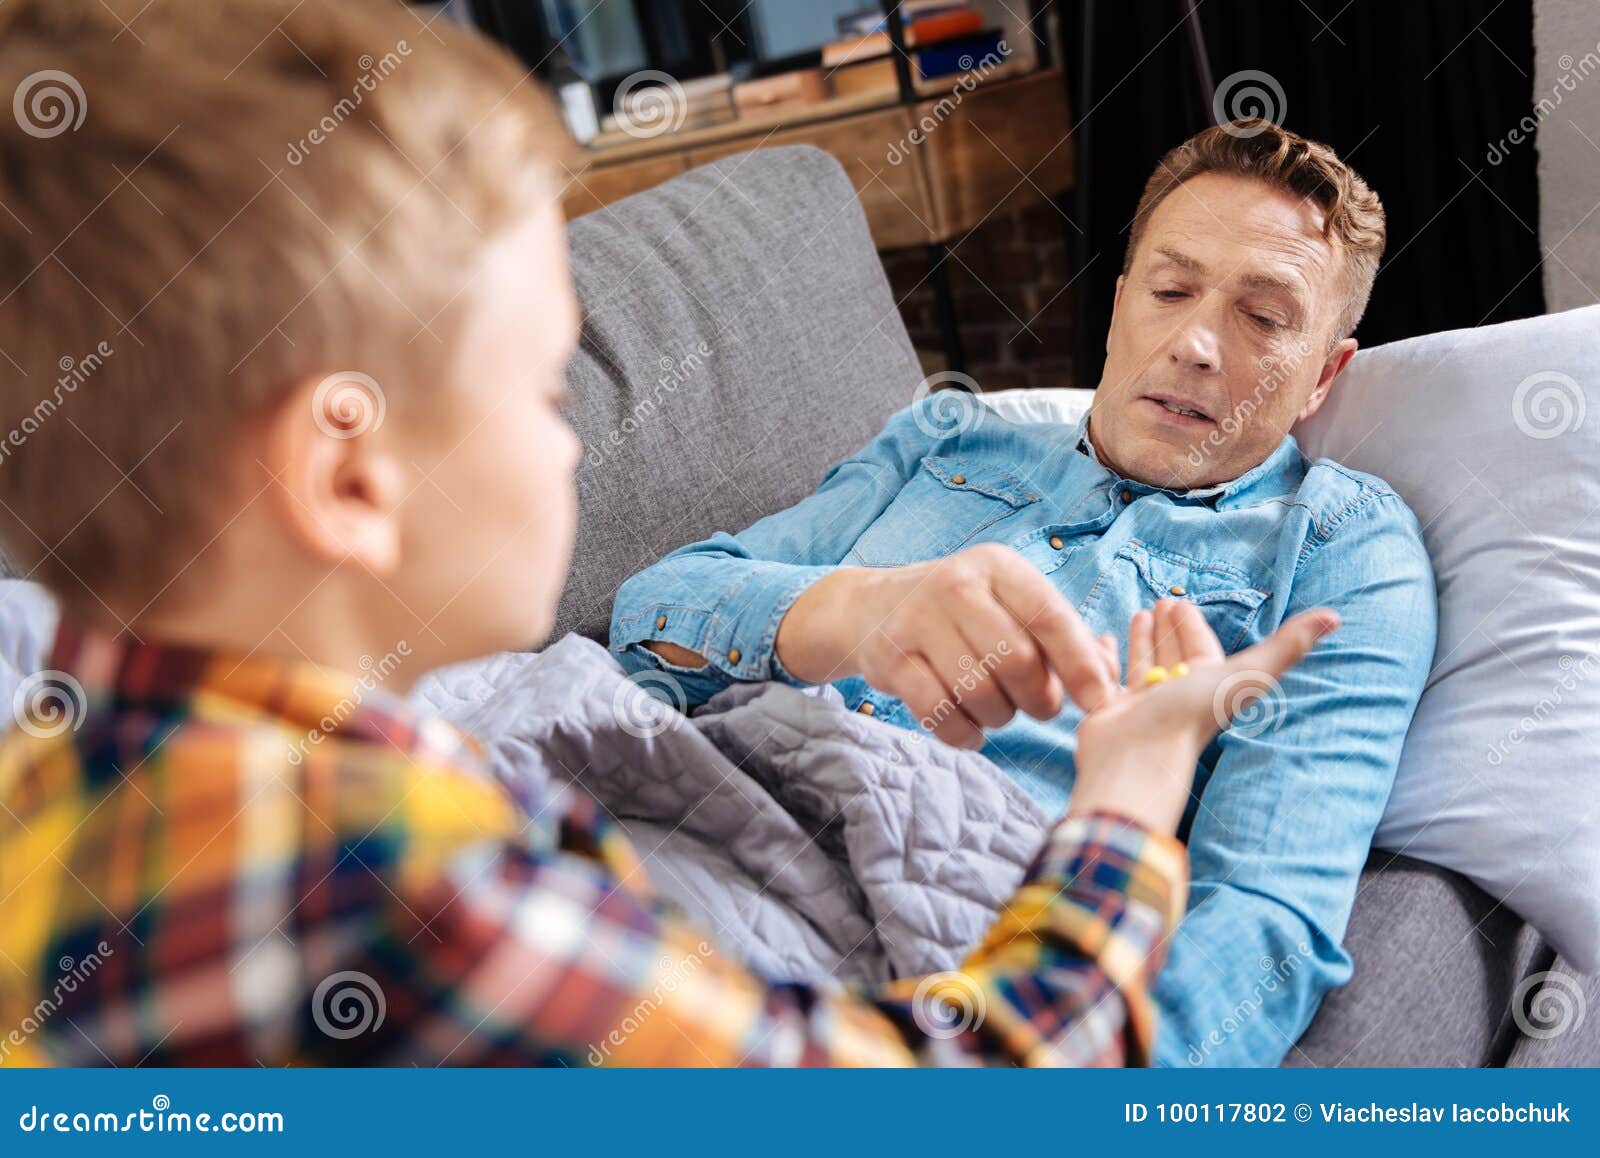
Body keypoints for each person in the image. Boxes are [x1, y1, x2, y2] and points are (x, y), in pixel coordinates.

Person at [0, 0, 1337, 1069]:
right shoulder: (429, 892)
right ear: (348, 481)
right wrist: (1127, 799)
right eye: (540, 384)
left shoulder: (49, 790)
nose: (573, 432)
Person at [612, 122, 1437, 1066]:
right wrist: (853, 611)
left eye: (1264, 317)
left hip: (940, 943)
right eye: (1171, 291)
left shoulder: (1340, 547)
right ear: (1122, 304)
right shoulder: (945, 439)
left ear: (1323, 376)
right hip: (688, 811)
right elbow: (652, 611)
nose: (1198, 343)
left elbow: (1263, 919)